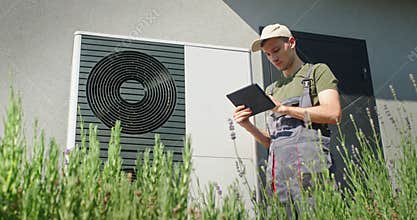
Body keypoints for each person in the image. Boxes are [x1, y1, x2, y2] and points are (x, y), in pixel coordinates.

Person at [233, 23, 342, 216]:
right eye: (267, 54)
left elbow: (333, 113)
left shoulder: (317, 72)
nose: (273, 58)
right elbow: (273, 142)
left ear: (291, 42)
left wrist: (284, 109)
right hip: (278, 175)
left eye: (276, 50)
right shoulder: (271, 90)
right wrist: (247, 126)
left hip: (310, 169)